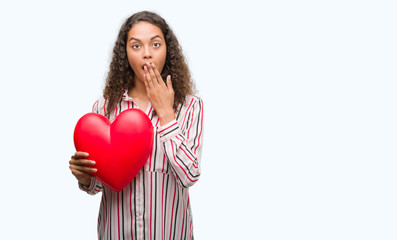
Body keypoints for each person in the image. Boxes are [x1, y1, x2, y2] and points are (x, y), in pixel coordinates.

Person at [69, 11, 204, 240]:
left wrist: (166, 114)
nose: (147, 54)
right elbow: (98, 186)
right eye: (136, 46)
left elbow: (189, 175)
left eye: (156, 44)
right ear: (125, 54)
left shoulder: (190, 106)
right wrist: (85, 179)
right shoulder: (104, 109)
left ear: (167, 50)